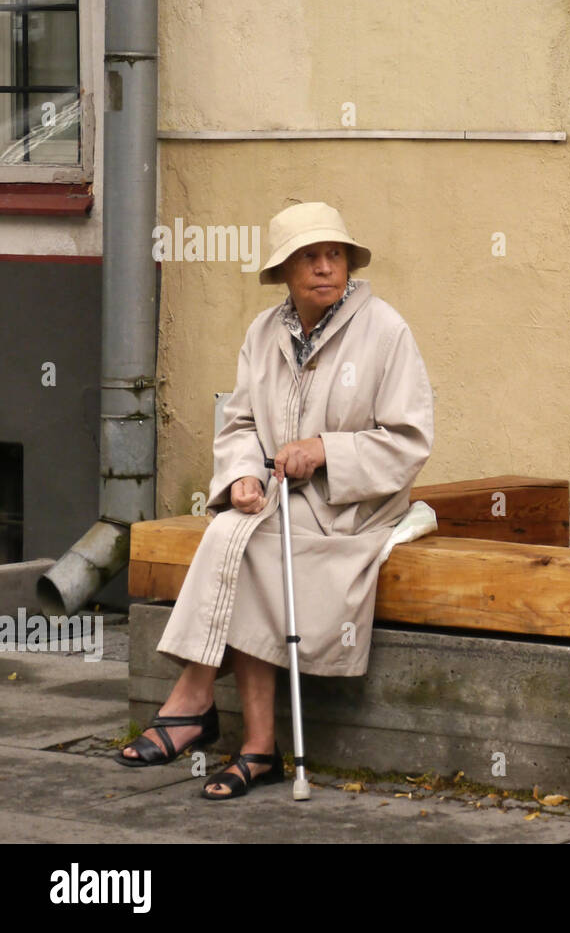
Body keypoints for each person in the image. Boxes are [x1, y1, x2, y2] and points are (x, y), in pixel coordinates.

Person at [116, 202, 435, 800]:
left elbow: (409, 441)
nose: (324, 267)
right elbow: (239, 425)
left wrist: (325, 451)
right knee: (243, 534)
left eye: (333, 254)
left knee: (241, 542)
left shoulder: (385, 330)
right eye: (309, 257)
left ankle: (195, 698)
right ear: (285, 270)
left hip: (356, 505)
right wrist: (240, 475)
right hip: (278, 500)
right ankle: (257, 747)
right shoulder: (264, 333)